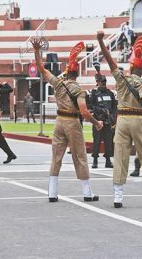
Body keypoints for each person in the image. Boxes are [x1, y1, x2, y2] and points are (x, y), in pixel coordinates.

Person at [97, 31, 142, 208]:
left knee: (120, 156)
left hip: (122, 119)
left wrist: (100, 41)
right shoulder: (141, 84)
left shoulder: (121, 78)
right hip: (138, 119)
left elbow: (108, 58)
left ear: (131, 67)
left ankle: (118, 197)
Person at [32, 38, 103, 202]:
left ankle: (52, 193)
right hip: (72, 122)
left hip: (59, 121)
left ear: (66, 72)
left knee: (56, 157)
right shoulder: (78, 89)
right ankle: (87, 193)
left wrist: (37, 50)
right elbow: (84, 112)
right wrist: (96, 122)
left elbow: (41, 69)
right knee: (80, 156)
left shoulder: (58, 83)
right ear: (77, 73)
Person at [90, 74, 116, 169]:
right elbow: (90, 106)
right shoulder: (94, 94)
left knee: (108, 142)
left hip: (108, 121)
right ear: (98, 83)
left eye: (105, 82)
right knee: (96, 142)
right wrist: (101, 110)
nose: (104, 84)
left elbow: (114, 107)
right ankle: (95, 161)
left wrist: (112, 116)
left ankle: (108, 161)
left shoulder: (110, 93)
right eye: (102, 82)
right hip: (98, 121)